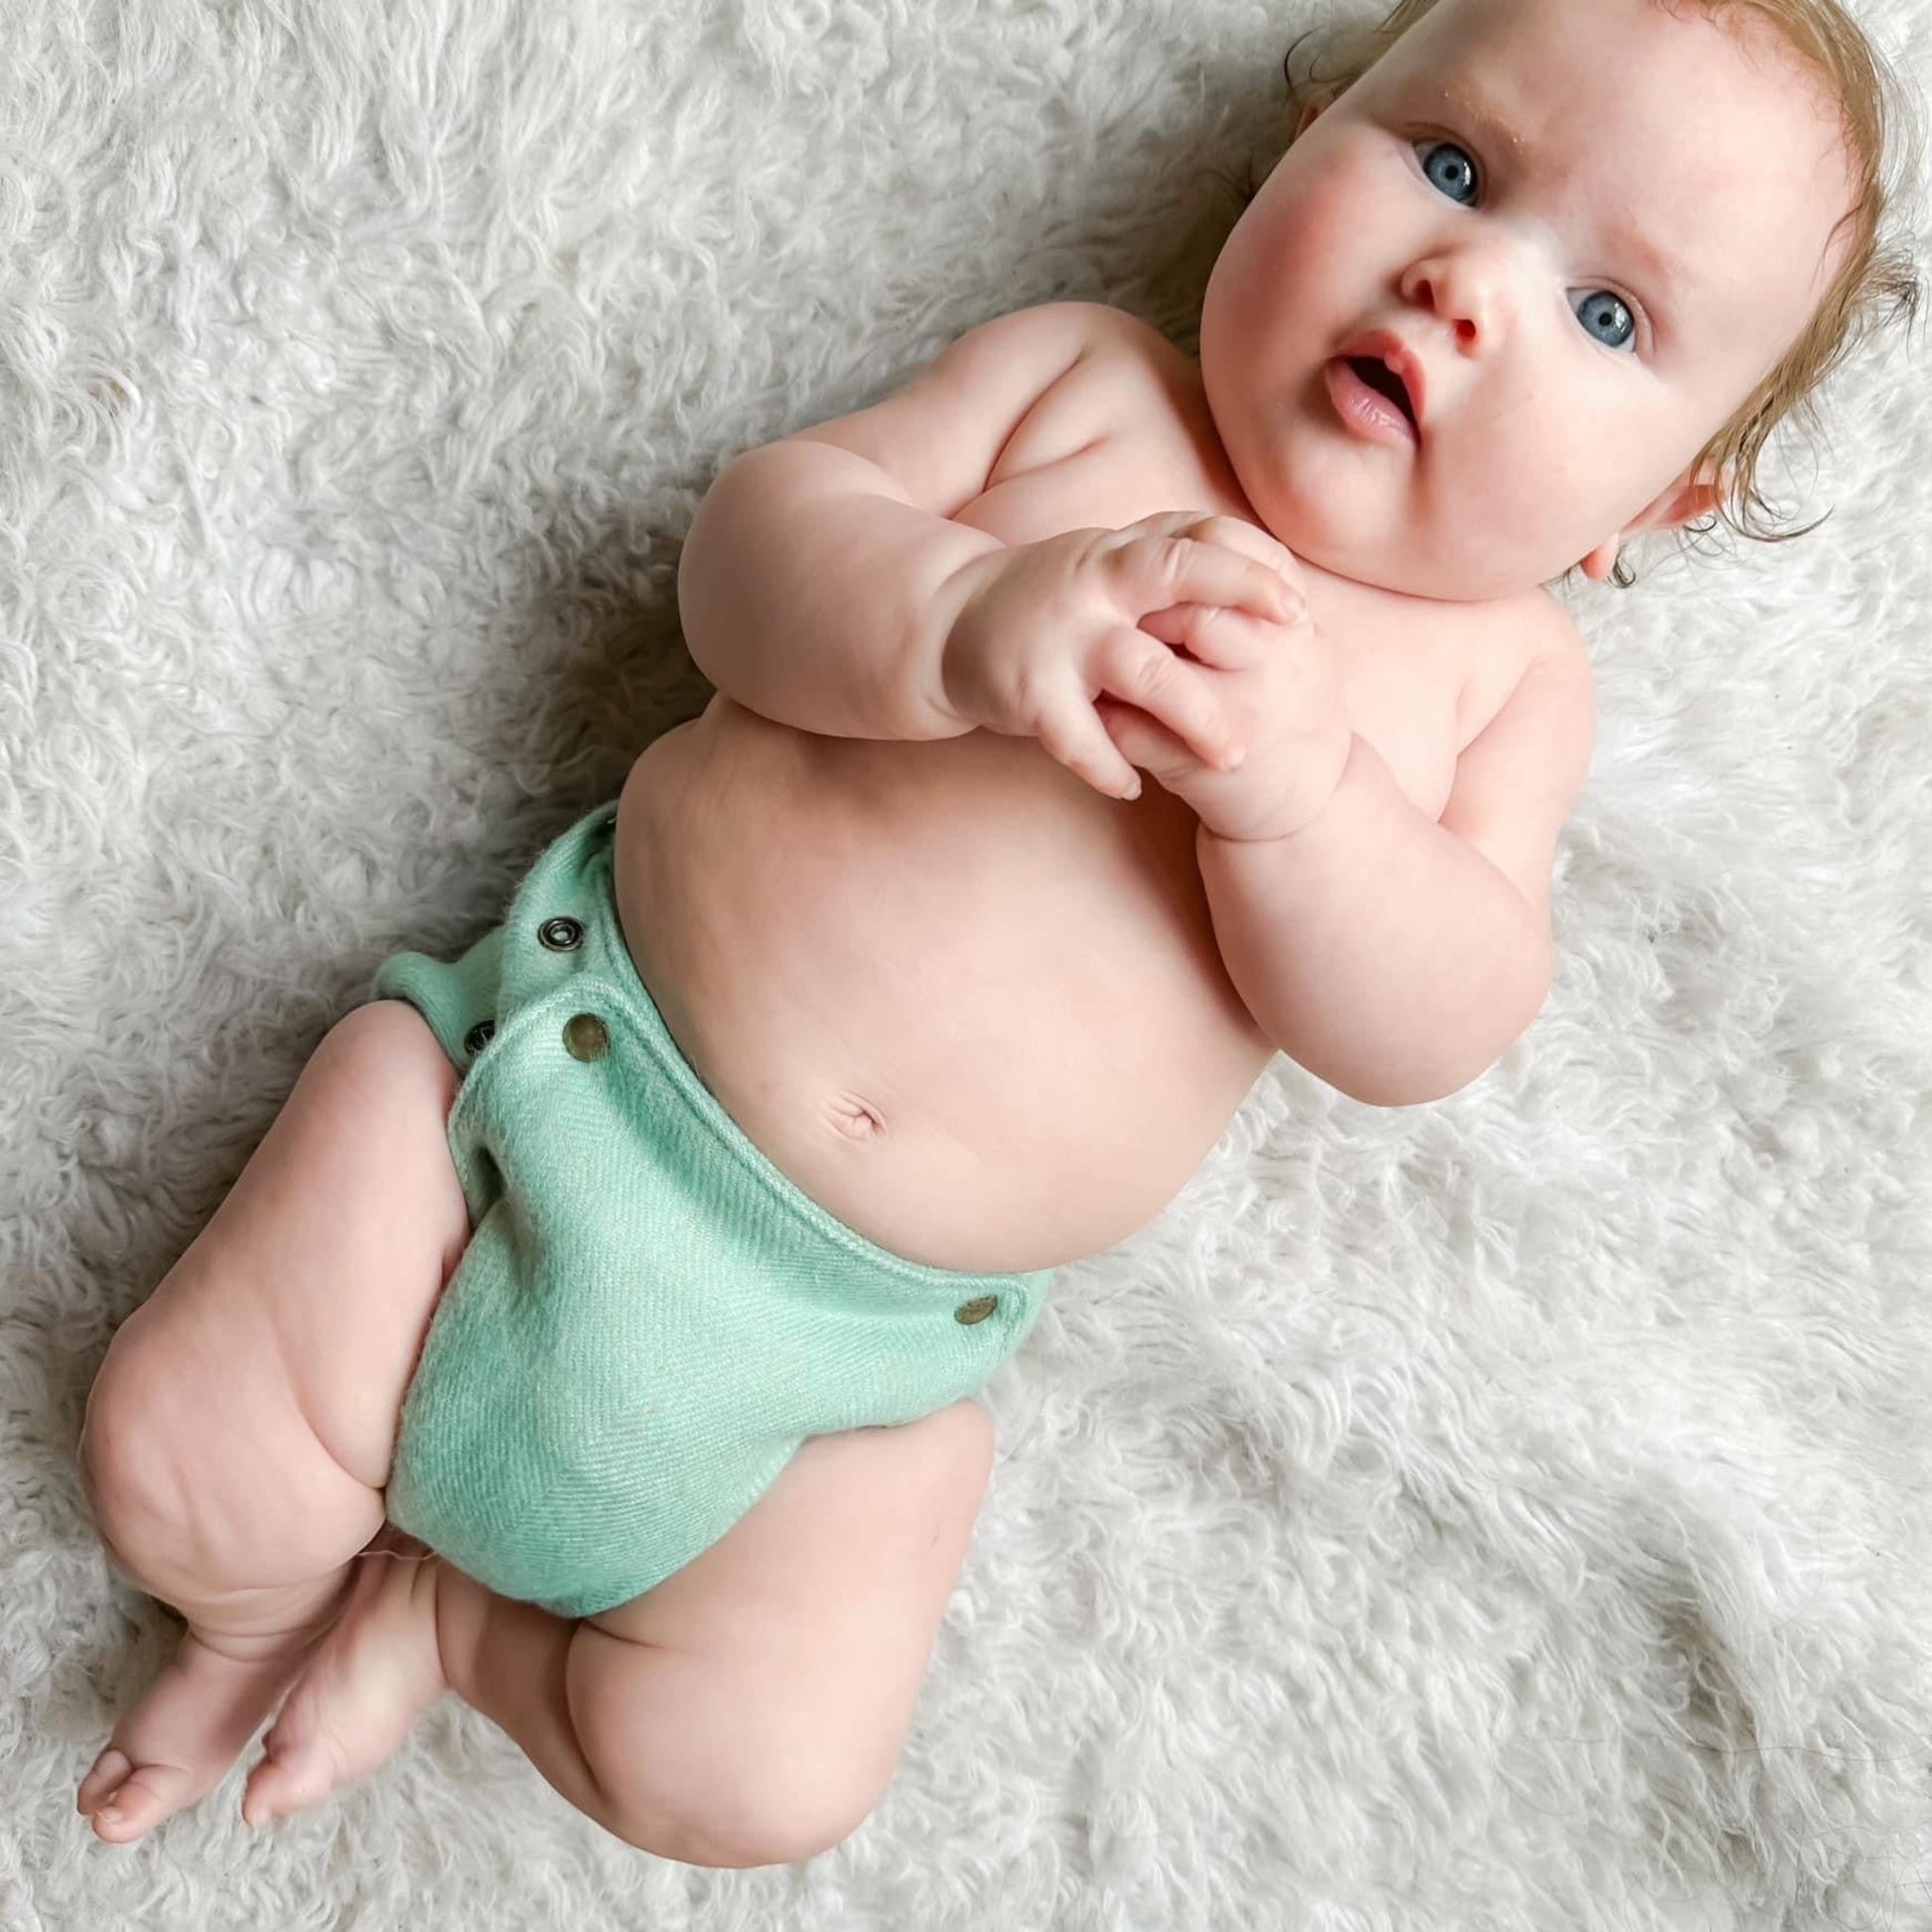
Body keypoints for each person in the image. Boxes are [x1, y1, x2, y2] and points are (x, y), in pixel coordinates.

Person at [73, 0, 1919, 1869]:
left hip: (843, 1370)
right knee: (173, 1467)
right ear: (1304, 134)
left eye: (1608, 317)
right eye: (1449, 164)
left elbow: (1436, 1016)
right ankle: (247, 1617)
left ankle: (450, 1625)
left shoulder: (1496, 682)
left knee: (752, 1779)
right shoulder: (1085, 385)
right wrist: (960, 620)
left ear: (1653, 502)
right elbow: (750, 549)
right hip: (544, 1094)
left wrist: (1301, 803)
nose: (1462, 286)